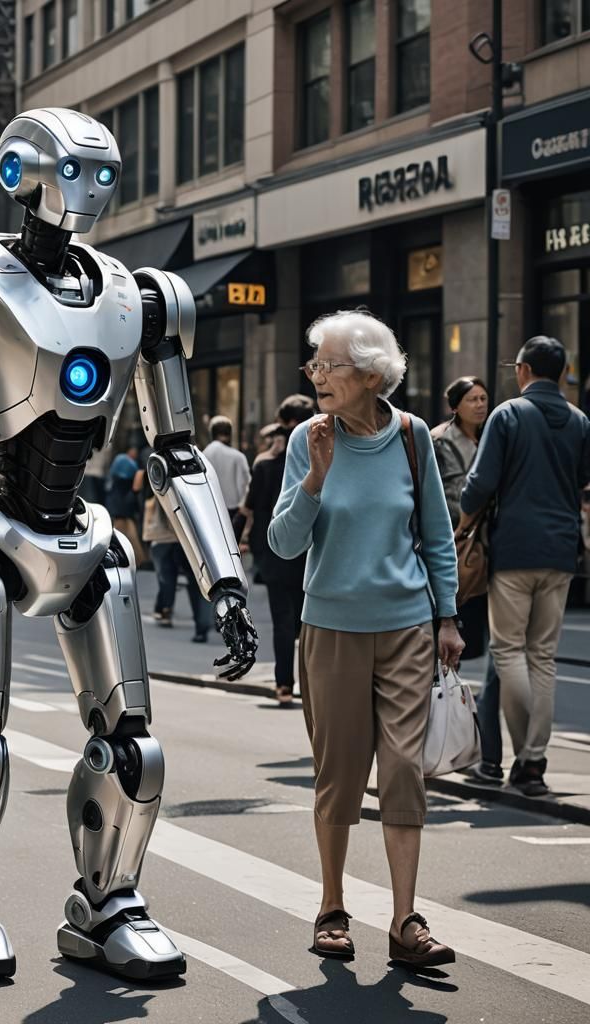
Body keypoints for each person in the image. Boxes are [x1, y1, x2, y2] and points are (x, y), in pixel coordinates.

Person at [269, 310, 462, 970]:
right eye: (313, 365)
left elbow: (436, 535)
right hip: (331, 630)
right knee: (339, 775)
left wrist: (447, 617)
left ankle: (405, 920)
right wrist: (315, 479)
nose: (316, 375)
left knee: (404, 770)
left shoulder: (411, 438)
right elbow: (283, 543)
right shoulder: (307, 439)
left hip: (406, 627)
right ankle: (331, 906)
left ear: (372, 374)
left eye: (328, 365)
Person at [461, 336, 590, 797]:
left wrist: (461, 514)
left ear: (523, 370)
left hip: (513, 550)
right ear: (560, 372)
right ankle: (534, 761)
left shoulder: (509, 414)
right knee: (544, 658)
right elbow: (582, 479)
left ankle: (527, 758)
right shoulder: (579, 420)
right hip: (561, 552)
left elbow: (480, 483)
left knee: (508, 651)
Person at [430, 376, 501, 784]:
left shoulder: (491, 436)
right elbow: (446, 494)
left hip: (485, 545)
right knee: (447, 645)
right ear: (455, 405)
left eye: (484, 398)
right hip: (459, 544)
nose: (480, 404)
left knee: (482, 644)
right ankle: (438, 734)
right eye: (472, 399)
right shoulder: (442, 440)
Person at [244, 394, 316, 705]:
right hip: (309, 552)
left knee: (282, 621)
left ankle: (284, 684)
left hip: (273, 552)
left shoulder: (265, 464)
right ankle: (312, 685)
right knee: (311, 624)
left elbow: (251, 507)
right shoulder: (319, 460)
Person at [142, 491, 212, 641]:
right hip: (187, 537)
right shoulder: (192, 476)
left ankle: (166, 610)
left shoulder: (158, 471)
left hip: (164, 537)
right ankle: (202, 625)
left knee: (167, 578)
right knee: (196, 581)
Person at [202, 415, 251, 538]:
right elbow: (245, 486)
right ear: (230, 433)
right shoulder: (238, 456)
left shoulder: (202, 456)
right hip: (233, 512)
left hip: (209, 510)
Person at [105, 443, 146, 567]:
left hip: (116, 510)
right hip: (122, 512)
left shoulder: (119, 463)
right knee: (127, 541)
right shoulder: (129, 466)